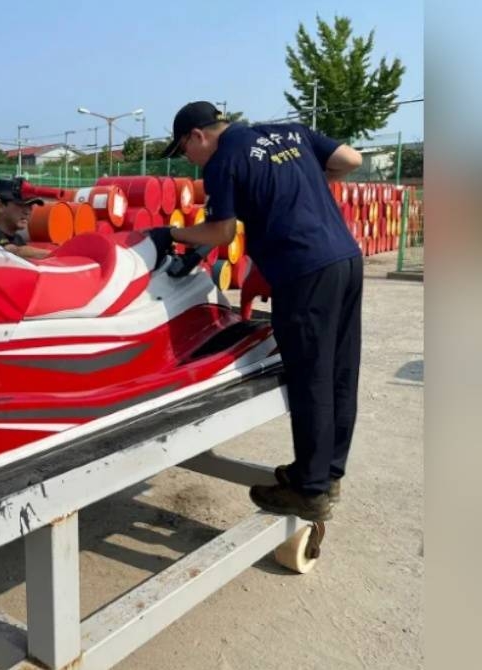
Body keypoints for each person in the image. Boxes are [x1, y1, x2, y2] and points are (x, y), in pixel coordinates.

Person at [149, 101, 364, 521]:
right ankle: (326, 472)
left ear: (198, 135)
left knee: (311, 377)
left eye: (185, 151)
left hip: (302, 270)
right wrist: (306, 184)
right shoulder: (290, 133)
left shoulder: (223, 160)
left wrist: (169, 232)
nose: (189, 162)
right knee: (341, 370)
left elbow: (221, 231)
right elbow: (350, 159)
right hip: (345, 259)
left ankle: (311, 489)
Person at [0, 182, 52, 259]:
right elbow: (14, 252)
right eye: (21, 204)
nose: (28, 212)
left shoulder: (18, 239)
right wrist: (55, 254)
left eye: (30, 206)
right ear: (0, 206)